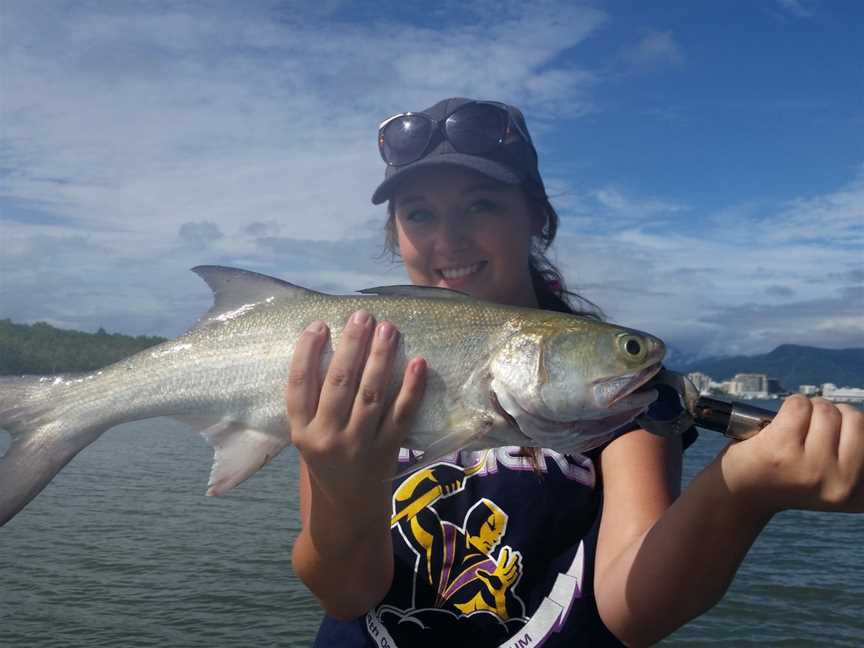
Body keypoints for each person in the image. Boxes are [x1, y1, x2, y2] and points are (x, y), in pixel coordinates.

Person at [287, 97, 864, 647]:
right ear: (395, 232)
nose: (448, 237)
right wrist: (340, 485)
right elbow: (345, 593)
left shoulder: (612, 387)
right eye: (418, 213)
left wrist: (742, 491)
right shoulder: (356, 372)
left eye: (480, 204)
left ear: (536, 214)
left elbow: (631, 610)